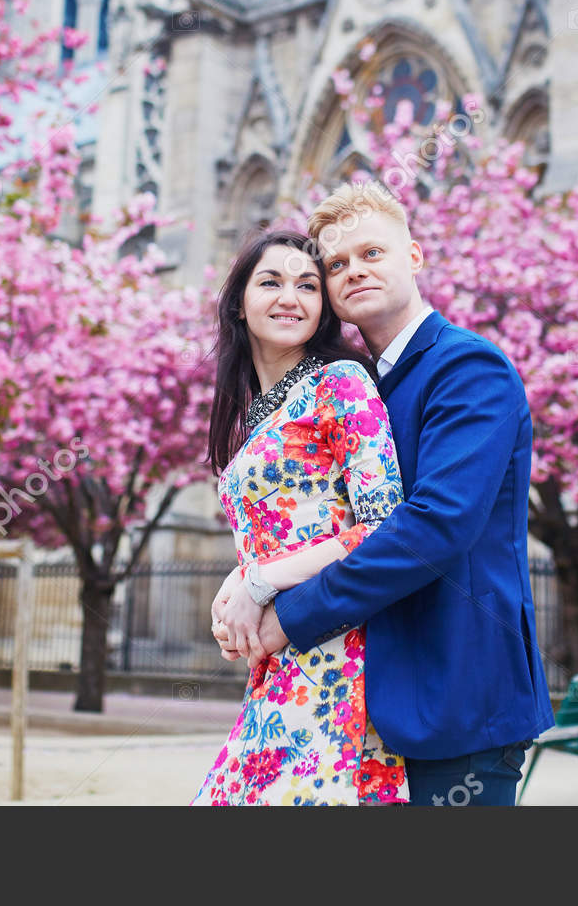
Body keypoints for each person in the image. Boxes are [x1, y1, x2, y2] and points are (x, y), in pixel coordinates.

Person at [213, 180, 554, 806]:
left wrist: (284, 611)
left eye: (373, 253)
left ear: (414, 256)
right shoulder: (364, 384)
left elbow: (433, 527)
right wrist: (249, 574)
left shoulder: (466, 368)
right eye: (336, 264)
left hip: (456, 699)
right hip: (372, 699)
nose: (354, 272)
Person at [190, 227, 410, 806]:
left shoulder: (340, 382)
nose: (290, 297)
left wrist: (259, 579)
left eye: (308, 286)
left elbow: (386, 525)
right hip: (279, 660)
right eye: (271, 282)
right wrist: (237, 586)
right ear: (239, 301)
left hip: (340, 659)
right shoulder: (254, 415)